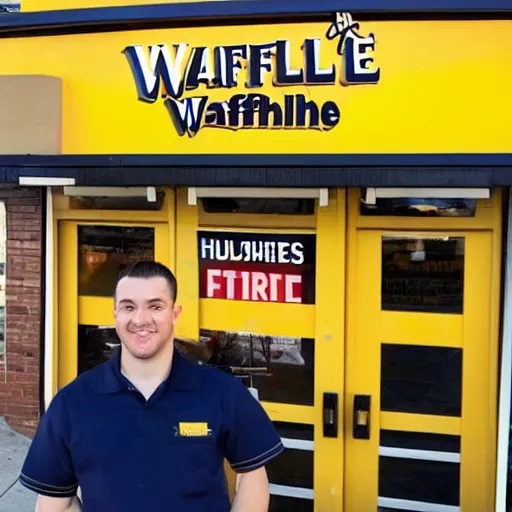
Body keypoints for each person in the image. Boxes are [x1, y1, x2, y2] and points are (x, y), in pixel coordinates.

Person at [19, 261, 284, 512]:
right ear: (115, 314)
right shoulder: (72, 402)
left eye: (155, 306)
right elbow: (56, 501)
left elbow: (251, 477)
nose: (140, 319)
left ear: (174, 313)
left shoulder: (222, 393)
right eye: (128, 307)